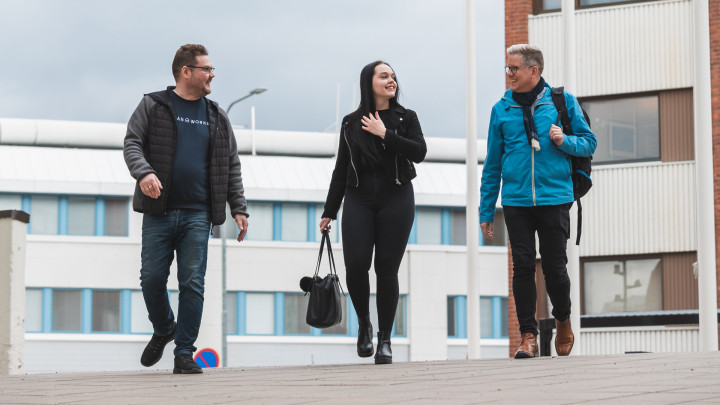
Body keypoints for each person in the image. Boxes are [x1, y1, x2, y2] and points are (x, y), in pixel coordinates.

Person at [123, 44, 249, 374]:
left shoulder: (217, 115)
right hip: (159, 211)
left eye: (212, 69)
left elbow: (231, 164)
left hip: (199, 214)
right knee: (151, 279)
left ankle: (183, 353)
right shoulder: (153, 105)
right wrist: (144, 173)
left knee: (192, 283)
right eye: (207, 69)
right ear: (186, 71)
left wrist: (238, 207)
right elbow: (132, 143)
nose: (212, 75)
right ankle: (165, 327)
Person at [480, 44, 596, 359]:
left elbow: (589, 143)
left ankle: (563, 320)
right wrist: (486, 209)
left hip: (554, 198)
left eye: (514, 68)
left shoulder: (562, 101)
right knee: (522, 267)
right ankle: (528, 336)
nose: (509, 73)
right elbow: (492, 164)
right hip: (516, 201)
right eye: (507, 68)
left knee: (555, 267)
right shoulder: (501, 109)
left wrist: (564, 140)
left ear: (534, 70)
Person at [320, 61, 426, 364]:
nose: (391, 80)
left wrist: (384, 133)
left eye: (393, 76)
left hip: (397, 198)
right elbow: (341, 169)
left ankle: (385, 339)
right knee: (356, 265)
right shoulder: (350, 122)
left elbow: (419, 152)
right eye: (384, 76)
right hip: (358, 199)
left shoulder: (406, 117)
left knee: (386, 269)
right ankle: (364, 323)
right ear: (370, 83)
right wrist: (329, 210)